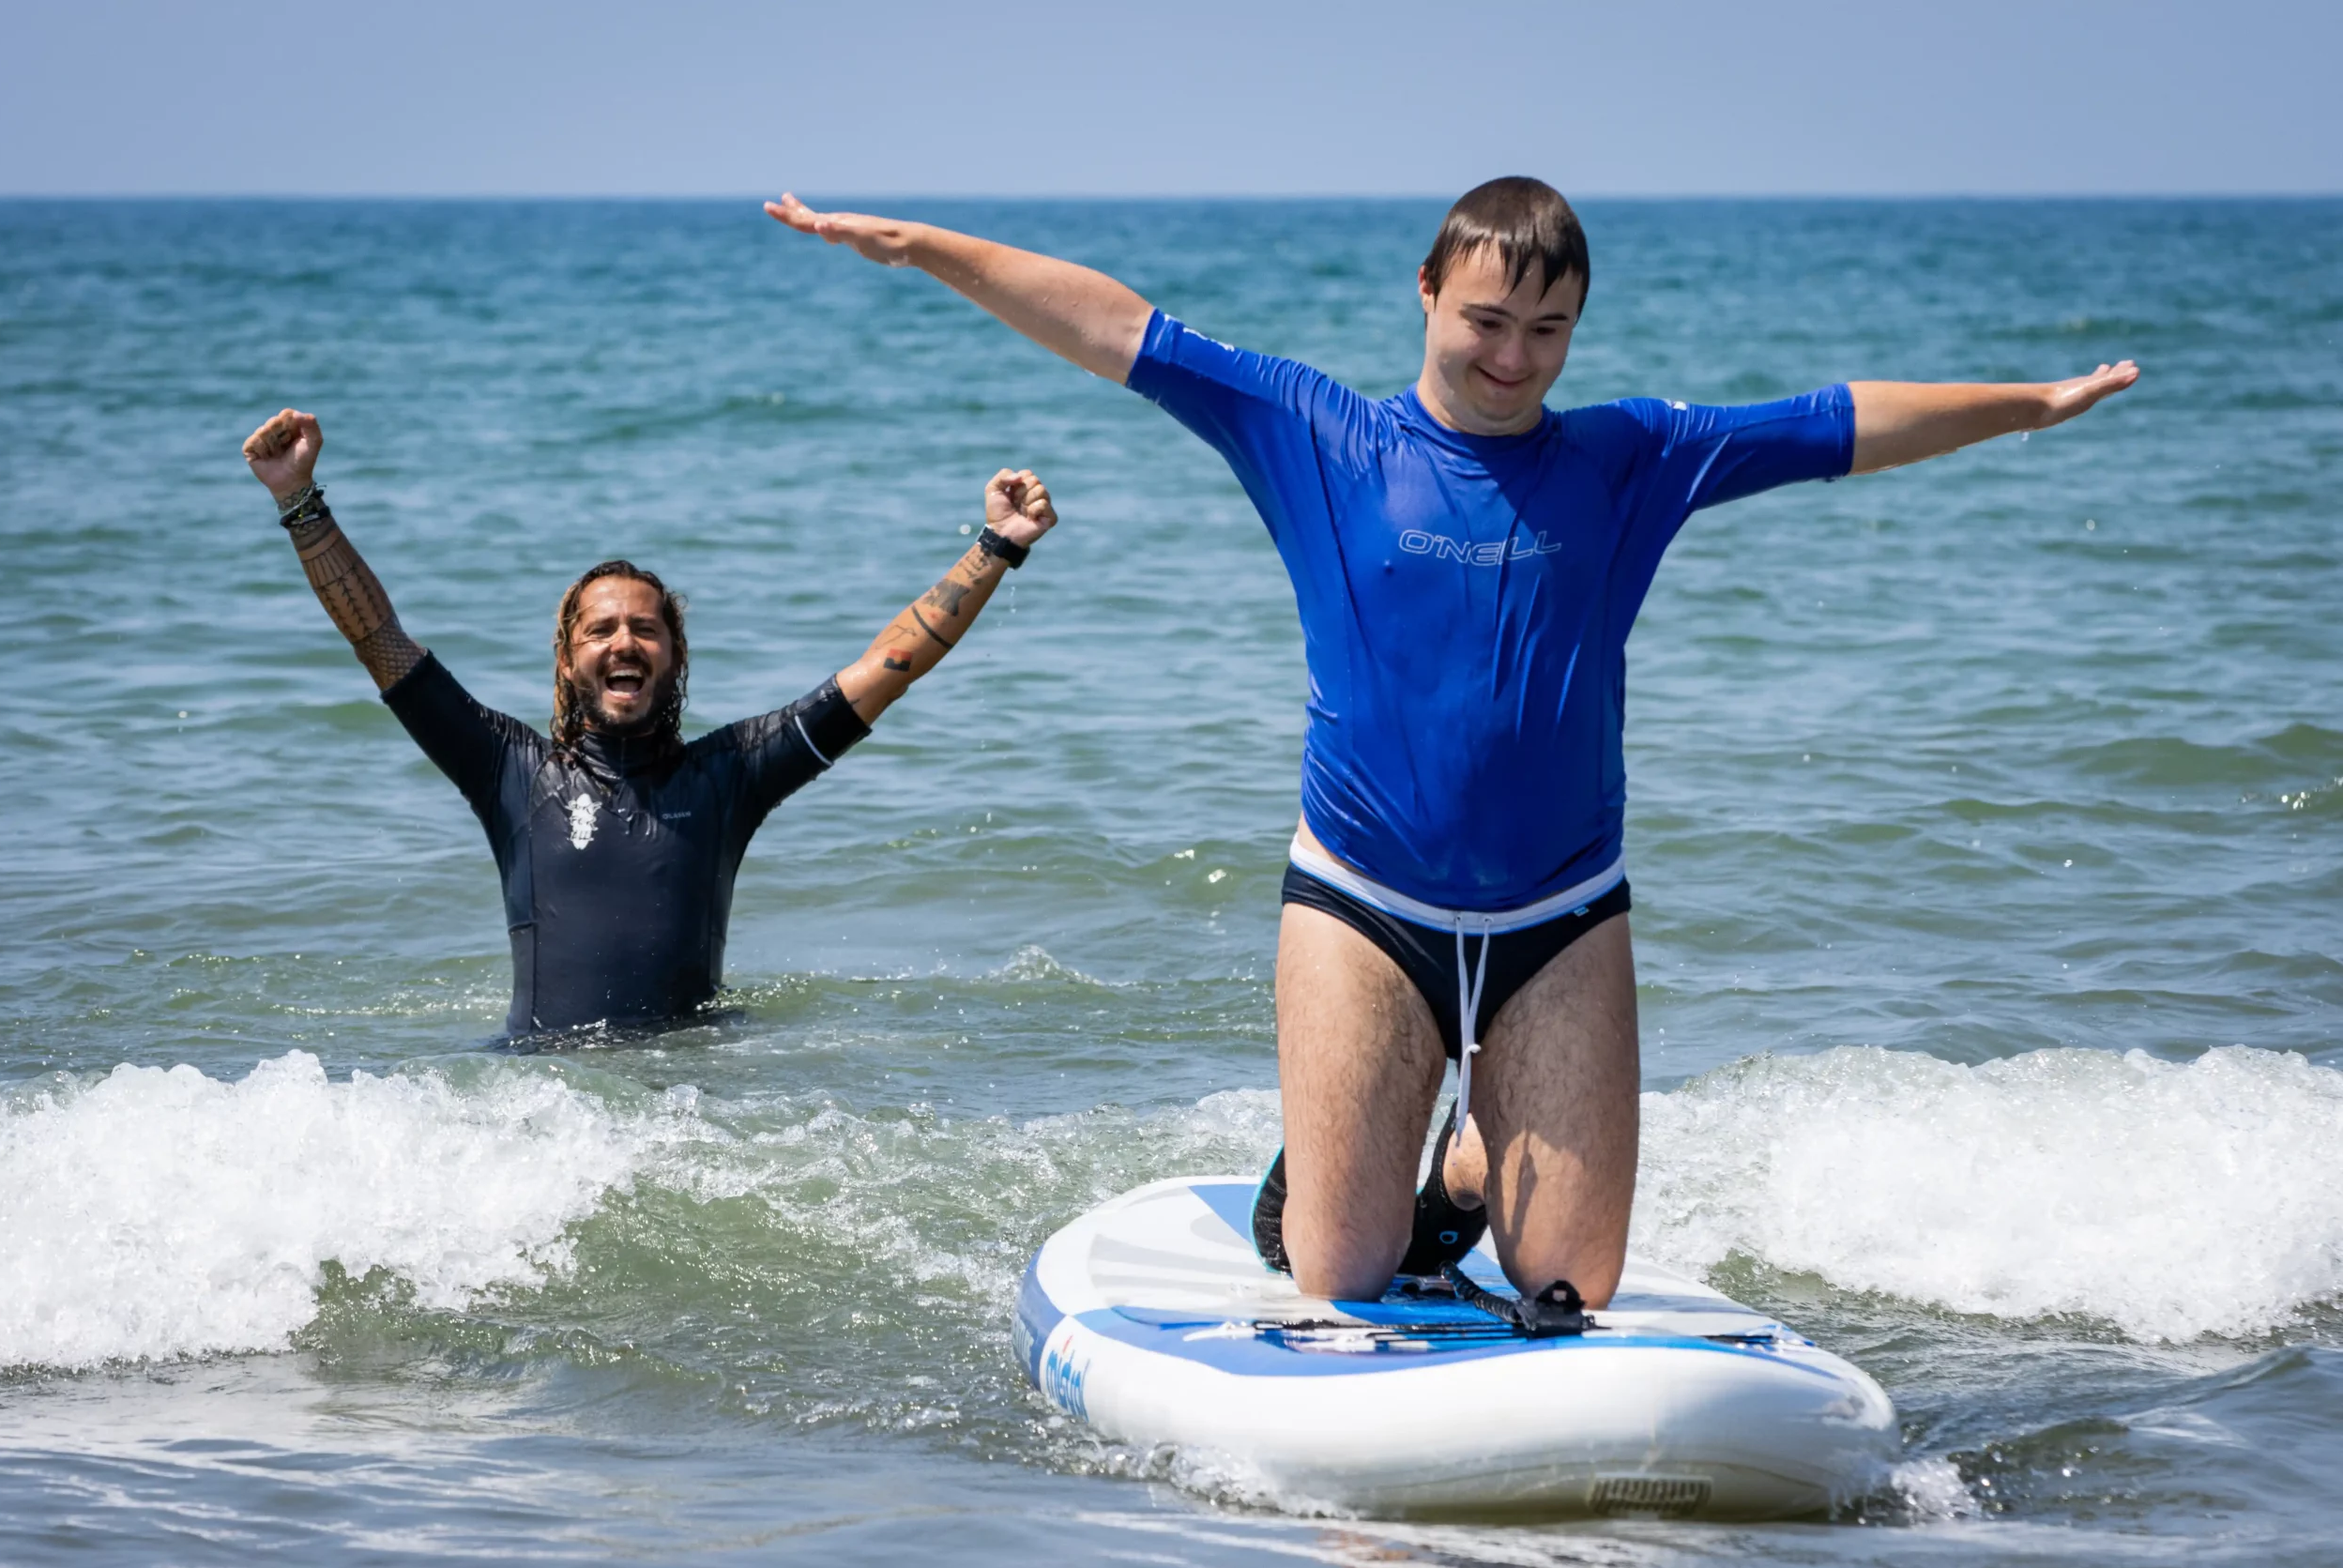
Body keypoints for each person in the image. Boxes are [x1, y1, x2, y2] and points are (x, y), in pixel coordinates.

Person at [766, 177, 2139, 1313]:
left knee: (1569, 1281)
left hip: (1563, 910)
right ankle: (1349, 1153)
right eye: (1486, 319)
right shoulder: (1317, 433)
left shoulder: (1631, 457)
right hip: (1362, 900)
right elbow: (1119, 328)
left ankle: (1471, 1155)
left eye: (1548, 329)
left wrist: (2030, 405)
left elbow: (1834, 423)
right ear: (1426, 291)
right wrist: (917, 243)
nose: (1513, 357)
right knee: (1341, 1271)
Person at [241, 406, 1058, 1038]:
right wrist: (298, 500)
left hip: (686, 1101)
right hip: (547, 1099)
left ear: (674, 655)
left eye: (645, 628)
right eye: (600, 629)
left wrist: (996, 546)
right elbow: (380, 640)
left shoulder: (731, 774)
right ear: (569, 660)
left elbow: (887, 665)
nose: (624, 642)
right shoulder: (508, 772)